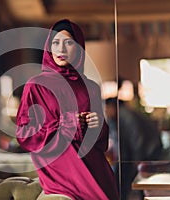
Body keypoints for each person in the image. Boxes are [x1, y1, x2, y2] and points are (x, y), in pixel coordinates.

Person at [15, 19, 119, 200]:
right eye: (55, 42)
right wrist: (66, 124)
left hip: (95, 164)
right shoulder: (36, 86)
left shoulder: (91, 87)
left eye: (68, 42)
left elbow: (101, 143)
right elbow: (25, 135)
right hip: (60, 168)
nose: (61, 49)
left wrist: (97, 125)